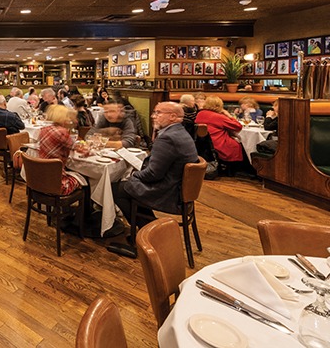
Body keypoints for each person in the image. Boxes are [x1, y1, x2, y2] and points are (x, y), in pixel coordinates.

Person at [108, 102, 198, 258]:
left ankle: (146, 235)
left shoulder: (168, 138)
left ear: (173, 117)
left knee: (116, 188)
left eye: (158, 113)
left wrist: (134, 175)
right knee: (128, 188)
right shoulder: (181, 132)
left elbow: (153, 175)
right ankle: (150, 229)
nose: (153, 116)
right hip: (179, 189)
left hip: (167, 192)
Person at [195, 96, 255, 176]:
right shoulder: (219, 117)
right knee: (240, 144)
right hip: (218, 145)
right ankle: (243, 169)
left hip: (203, 144)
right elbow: (238, 126)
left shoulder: (200, 114)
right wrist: (228, 115)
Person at [37, 105, 81, 196]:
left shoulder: (43, 130)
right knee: (85, 180)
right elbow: (79, 149)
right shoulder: (62, 132)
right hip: (57, 183)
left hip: (41, 179)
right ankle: (86, 209)